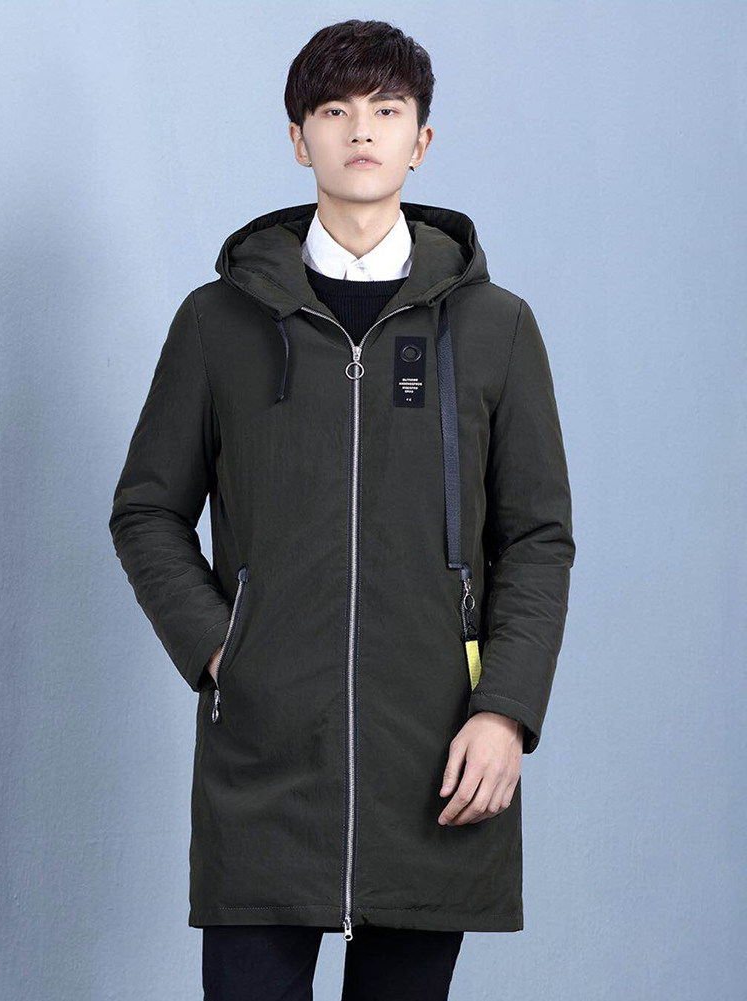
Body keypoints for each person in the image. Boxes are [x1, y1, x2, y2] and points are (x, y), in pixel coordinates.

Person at [109, 18, 575, 1001]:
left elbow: (535, 535)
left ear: (420, 140)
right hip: (266, 757)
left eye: (386, 110)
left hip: (435, 755)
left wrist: (505, 710)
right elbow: (147, 508)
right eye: (334, 110)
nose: (361, 130)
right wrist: (223, 647)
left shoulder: (494, 329)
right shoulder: (217, 322)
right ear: (298, 138)